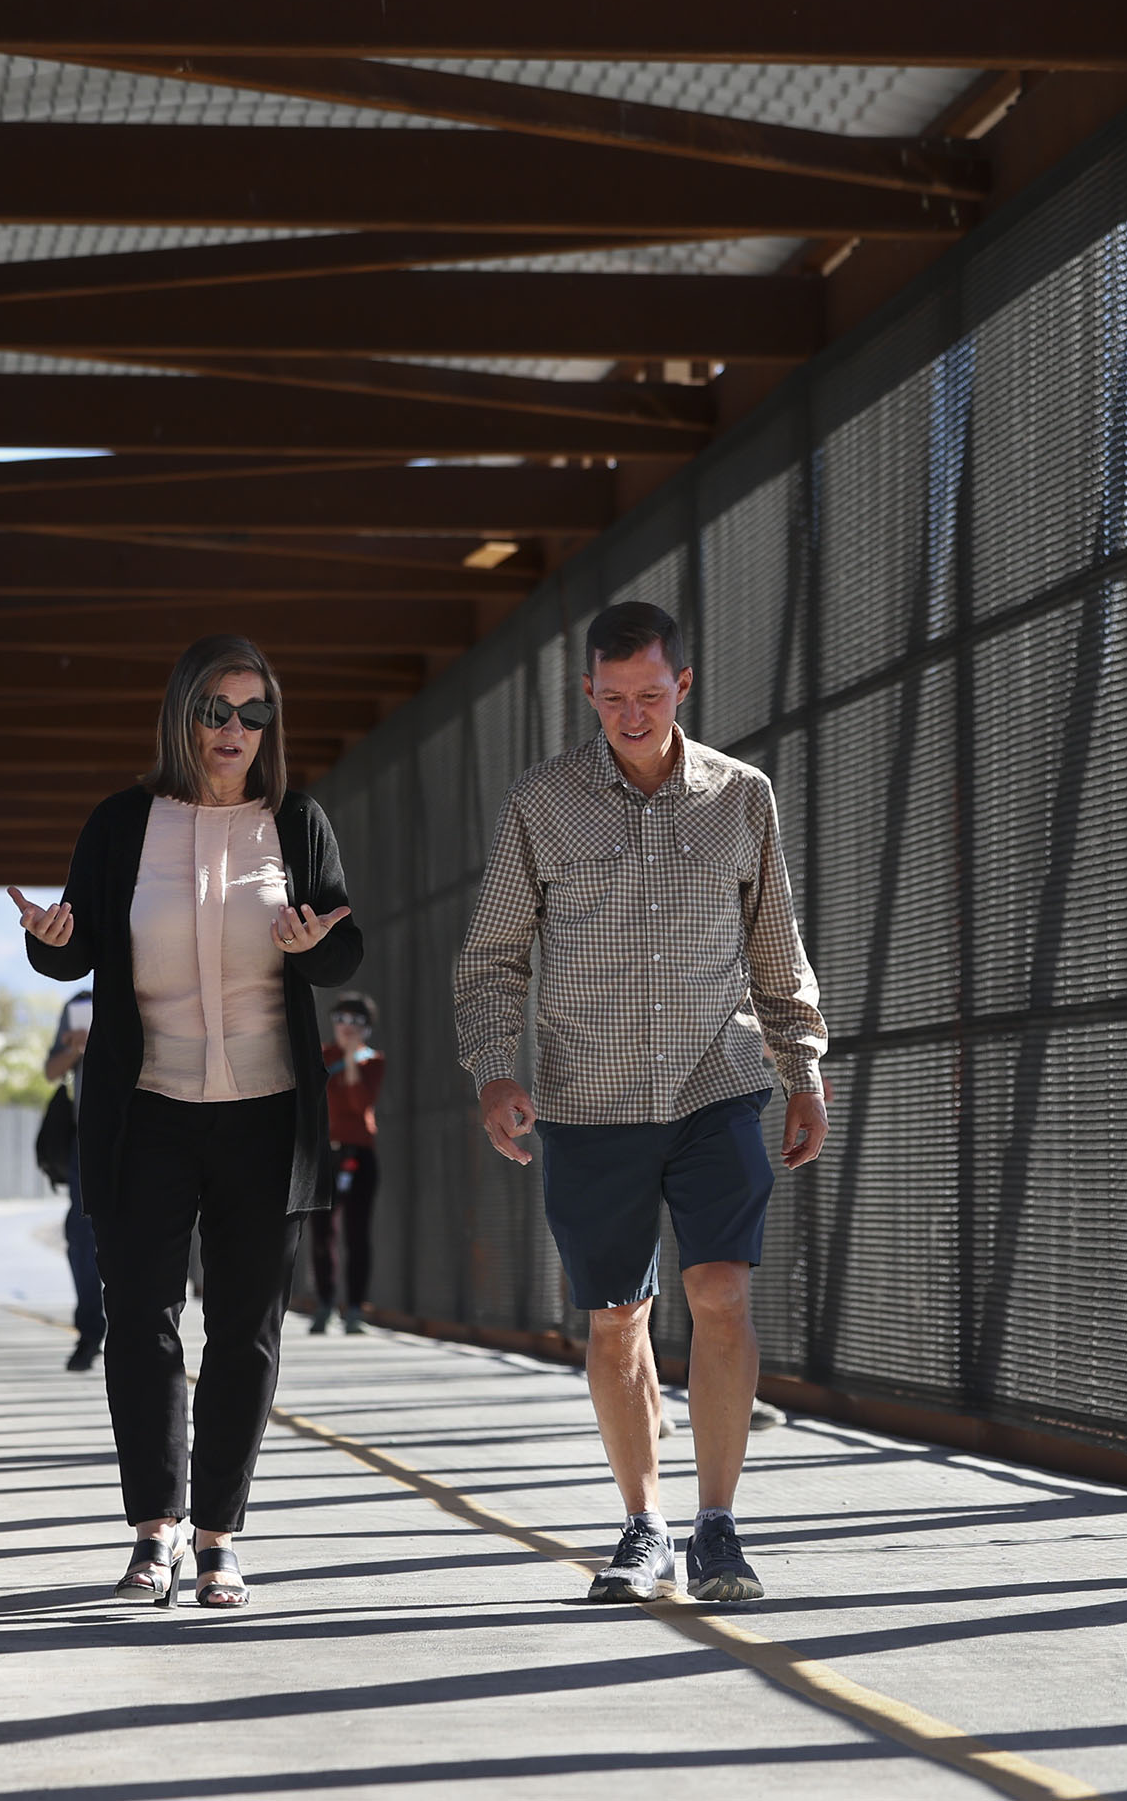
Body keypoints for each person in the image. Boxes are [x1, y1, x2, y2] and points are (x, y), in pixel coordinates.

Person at [455, 601, 831, 1605]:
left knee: (719, 1291)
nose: (631, 712)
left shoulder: (740, 797)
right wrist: (495, 1068)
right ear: (589, 691)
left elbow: (774, 948)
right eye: (613, 696)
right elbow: (494, 956)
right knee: (618, 1316)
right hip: (590, 1099)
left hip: (719, 1082)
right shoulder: (542, 802)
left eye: (650, 694)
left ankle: (717, 1524)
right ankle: (642, 1523)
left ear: (684, 686)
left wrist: (805, 1072)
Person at [11, 633, 362, 1610]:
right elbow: (70, 950)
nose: (237, 730)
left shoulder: (297, 822)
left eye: (256, 713)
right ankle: (153, 1529)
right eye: (219, 710)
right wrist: (48, 938)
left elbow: (342, 949)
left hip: (264, 1112)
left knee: (245, 1327)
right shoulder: (124, 823)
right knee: (142, 1322)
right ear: (184, 714)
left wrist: (307, 941)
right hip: (147, 1109)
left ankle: (219, 1537)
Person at [310, 992, 385, 1336]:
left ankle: (355, 1308)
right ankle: (325, 1304)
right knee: (322, 1232)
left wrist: (353, 1061)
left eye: (356, 1022)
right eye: (341, 1019)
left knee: (358, 1233)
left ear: (367, 1029)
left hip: (360, 1152)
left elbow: (360, 1102)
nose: (347, 1027)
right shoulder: (321, 1057)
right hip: (326, 1152)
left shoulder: (374, 1061)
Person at [38, 989, 103, 1371]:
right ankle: (91, 1331)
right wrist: (78, 1048)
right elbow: (50, 1071)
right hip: (86, 1140)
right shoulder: (80, 1005)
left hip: (143, 1136)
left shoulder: (151, 988)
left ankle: (141, 1332)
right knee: (81, 1238)